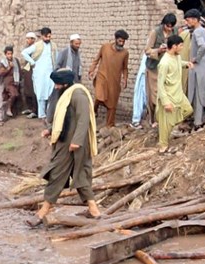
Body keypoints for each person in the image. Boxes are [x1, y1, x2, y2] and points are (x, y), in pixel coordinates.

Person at [33, 69, 99, 222]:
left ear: (65, 83)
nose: (55, 87)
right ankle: (93, 210)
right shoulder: (67, 93)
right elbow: (66, 119)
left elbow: (83, 120)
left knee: (71, 174)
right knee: (61, 174)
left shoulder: (78, 95)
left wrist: (76, 141)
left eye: (57, 84)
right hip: (65, 142)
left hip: (75, 144)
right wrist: (50, 131)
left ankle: (42, 212)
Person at [156, 34, 193, 152]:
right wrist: (165, 102)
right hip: (168, 96)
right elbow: (160, 84)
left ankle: (173, 127)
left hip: (178, 92)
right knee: (165, 125)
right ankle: (163, 146)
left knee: (188, 110)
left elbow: (178, 63)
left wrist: (186, 64)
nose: (182, 47)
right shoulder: (164, 63)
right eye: (181, 45)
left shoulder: (176, 57)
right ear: (174, 46)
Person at [89, 30, 130, 127]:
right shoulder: (105, 47)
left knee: (112, 104)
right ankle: (93, 112)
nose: (122, 43)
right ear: (115, 39)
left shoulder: (125, 53)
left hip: (114, 81)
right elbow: (96, 59)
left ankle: (109, 125)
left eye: (123, 42)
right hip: (102, 77)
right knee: (99, 96)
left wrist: (125, 79)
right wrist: (91, 70)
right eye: (120, 41)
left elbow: (125, 68)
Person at [144, 14, 176, 127]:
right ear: (163, 24)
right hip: (154, 69)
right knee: (155, 95)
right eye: (168, 26)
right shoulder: (155, 33)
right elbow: (147, 50)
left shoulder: (174, 32)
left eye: (171, 26)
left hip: (166, 69)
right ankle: (155, 119)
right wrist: (158, 50)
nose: (169, 28)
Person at [184, 9, 205, 129]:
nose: (187, 23)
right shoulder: (203, 30)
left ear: (195, 20)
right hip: (204, 66)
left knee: (198, 94)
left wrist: (195, 59)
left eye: (188, 20)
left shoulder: (197, 32)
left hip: (198, 67)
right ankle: (199, 119)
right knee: (201, 92)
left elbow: (203, 46)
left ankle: (197, 122)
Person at [22, 28, 55, 119]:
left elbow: (55, 57)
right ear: (42, 36)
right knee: (40, 93)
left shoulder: (53, 45)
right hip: (39, 73)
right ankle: (41, 114)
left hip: (50, 72)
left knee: (50, 93)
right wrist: (32, 62)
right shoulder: (37, 45)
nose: (48, 38)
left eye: (49, 36)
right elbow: (24, 53)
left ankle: (49, 114)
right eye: (46, 36)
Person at [0, 45, 21, 118]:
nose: (10, 55)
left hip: (15, 81)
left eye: (11, 54)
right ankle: (8, 108)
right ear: (5, 54)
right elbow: (2, 73)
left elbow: (19, 70)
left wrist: (19, 79)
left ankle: (11, 112)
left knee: (16, 95)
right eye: (8, 54)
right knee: (14, 94)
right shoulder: (3, 62)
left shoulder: (15, 60)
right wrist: (9, 68)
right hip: (8, 82)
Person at [18, 32, 38, 117]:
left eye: (29, 38)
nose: (27, 40)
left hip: (33, 70)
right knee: (27, 90)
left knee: (33, 90)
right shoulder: (27, 48)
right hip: (27, 70)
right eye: (27, 38)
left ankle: (35, 110)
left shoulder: (35, 48)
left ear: (33, 39)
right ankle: (29, 108)